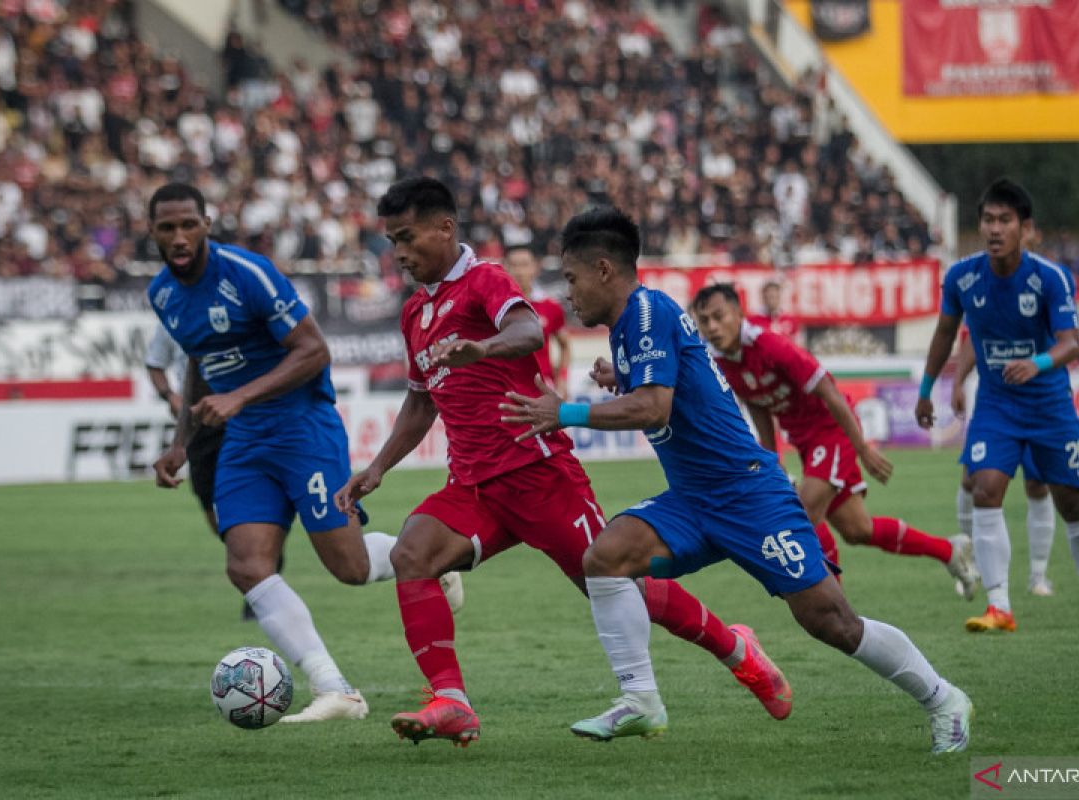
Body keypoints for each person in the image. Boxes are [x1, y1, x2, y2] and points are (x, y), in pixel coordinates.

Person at [336, 177, 792, 748]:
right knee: (412, 553)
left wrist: (484, 347)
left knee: (616, 579)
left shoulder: (485, 280)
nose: (398, 253)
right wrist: (377, 468)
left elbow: (526, 330)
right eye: (392, 241)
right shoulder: (414, 314)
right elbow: (421, 399)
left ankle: (737, 648)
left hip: (538, 471)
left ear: (444, 228)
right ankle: (451, 700)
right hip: (474, 483)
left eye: (406, 238)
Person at [501, 206, 972, 754]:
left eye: (573, 278)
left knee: (833, 622)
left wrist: (567, 413)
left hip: (749, 495)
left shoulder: (647, 313)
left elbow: (654, 409)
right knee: (604, 558)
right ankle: (640, 701)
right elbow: (666, 392)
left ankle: (944, 699)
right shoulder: (632, 326)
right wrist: (621, 376)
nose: (569, 293)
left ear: (604, 269)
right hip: (695, 499)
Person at [146, 182, 451, 724]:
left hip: (302, 429)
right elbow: (198, 363)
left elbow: (314, 351)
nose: (178, 236)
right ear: (152, 232)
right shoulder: (163, 295)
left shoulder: (247, 275)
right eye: (166, 227)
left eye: (187, 224)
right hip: (245, 443)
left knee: (350, 567)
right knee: (245, 564)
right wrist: (179, 444)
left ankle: (428, 557)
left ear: (206, 224)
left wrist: (239, 396)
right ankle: (335, 688)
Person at [916, 178, 1079, 632]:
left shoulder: (1050, 278)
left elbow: (1069, 342)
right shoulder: (962, 277)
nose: (994, 228)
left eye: (1004, 220)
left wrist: (1038, 362)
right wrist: (929, 388)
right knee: (984, 487)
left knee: (1072, 503)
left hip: (1049, 407)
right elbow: (948, 335)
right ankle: (999, 606)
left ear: (1024, 228)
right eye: (988, 219)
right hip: (998, 406)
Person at [689, 284, 978, 597]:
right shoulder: (721, 360)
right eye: (704, 321)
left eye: (719, 316)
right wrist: (773, 462)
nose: (713, 327)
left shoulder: (770, 344)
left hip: (830, 426)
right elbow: (759, 406)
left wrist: (863, 448)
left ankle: (833, 605)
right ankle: (949, 551)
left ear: (739, 313)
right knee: (857, 530)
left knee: (802, 511)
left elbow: (829, 391)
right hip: (805, 440)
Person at [146, 321, 289, 621]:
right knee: (212, 508)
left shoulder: (240, 311)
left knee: (258, 498)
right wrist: (171, 397)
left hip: (243, 413)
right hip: (200, 421)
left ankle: (261, 573)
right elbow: (154, 364)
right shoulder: (172, 320)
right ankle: (261, 559)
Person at [950, 325, 1079, 598]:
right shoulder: (978, 290)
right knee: (972, 481)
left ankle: (1038, 576)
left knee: (1037, 485)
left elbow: (1069, 323)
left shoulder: (1045, 285)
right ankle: (970, 564)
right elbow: (970, 337)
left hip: (1043, 404)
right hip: (996, 403)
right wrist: (957, 382)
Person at [504, 245, 571, 398]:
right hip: (506, 386)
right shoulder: (493, 306)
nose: (519, 271)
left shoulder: (551, 306)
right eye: (514, 265)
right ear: (505, 268)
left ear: (535, 267)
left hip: (542, 386)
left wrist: (562, 379)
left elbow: (565, 346)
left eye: (524, 264)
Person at [747, 278, 801, 346]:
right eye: (768, 292)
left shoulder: (790, 320)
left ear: (779, 295)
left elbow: (798, 346)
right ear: (763, 296)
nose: (772, 294)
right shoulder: (752, 321)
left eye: (775, 291)